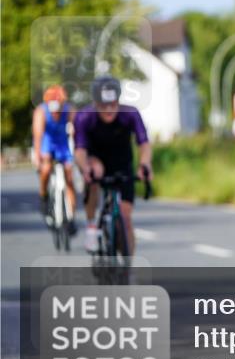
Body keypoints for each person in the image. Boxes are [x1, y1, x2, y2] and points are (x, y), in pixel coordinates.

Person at [73, 76, 153, 255]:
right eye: (104, 105)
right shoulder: (85, 117)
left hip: (122, 163)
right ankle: (92, 228)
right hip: (95, 160)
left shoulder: (130, 114)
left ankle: (127, 264)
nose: (109, 109)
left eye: (113, 104)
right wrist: (85, 167)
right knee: (95, 173)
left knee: (126, 218)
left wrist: (145, 164)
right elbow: (80, 150)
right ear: (96, 103)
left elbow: (144, 144)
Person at [31, 85, 77, 229]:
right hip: (47, 143)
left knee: (69, 178)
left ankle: (71, 217)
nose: (55, 112)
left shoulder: (69, 110)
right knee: (45, 168)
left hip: (62, 144)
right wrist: (38, 156)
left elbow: (78, 129)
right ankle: (43, 196)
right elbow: (38, 135)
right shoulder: (41, 111)